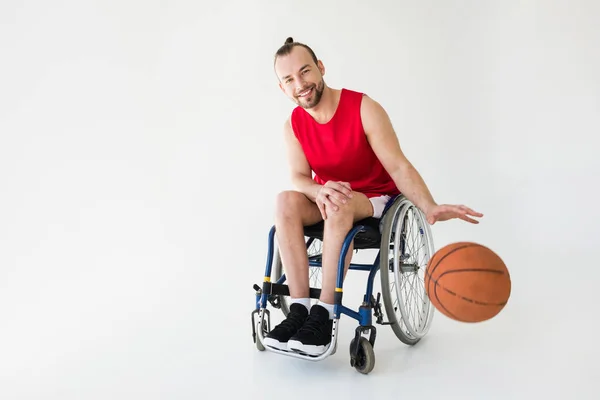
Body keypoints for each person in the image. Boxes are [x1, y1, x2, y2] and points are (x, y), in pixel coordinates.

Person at [263, 37, 483, 356]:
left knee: (339, 202)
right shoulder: (294, 124)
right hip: (329, 198)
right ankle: (299, 310)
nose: (300, 84)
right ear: (283, 88)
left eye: (305, 71)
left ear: (321, 68)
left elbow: (397, 164)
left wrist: (429, 206)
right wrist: (318, 189)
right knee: (285, 200)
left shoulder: (363, 108)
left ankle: (323, 315)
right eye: (289, 80)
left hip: (373, 198)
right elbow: (299, 177)